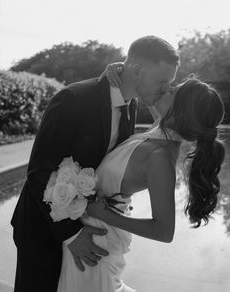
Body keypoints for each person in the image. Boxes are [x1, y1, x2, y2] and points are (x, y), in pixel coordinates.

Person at [11, 35, 180, 292]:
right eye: (162, 81)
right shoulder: (72, 99)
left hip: (88, 227)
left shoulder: (131, 105)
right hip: (43, 230)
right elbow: (39, 171)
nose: (165, 88)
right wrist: (72, 234)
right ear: (136, 69)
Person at [57, 76, 225, 292]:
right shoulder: (162, 128)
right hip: (87, 229)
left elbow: (164, 231)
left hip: (98, 241)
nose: (168, 87)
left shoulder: (160, 157)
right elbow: (146, 93)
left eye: (174, 91)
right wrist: (115, 72)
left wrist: (104, 215)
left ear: (180, 112)